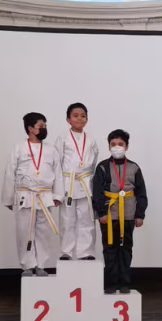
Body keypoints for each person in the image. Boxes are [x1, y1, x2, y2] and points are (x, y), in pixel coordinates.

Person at [2, 112, 64, 276]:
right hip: (25, 196)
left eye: (45, 126)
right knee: (24, 231)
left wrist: (58, 195)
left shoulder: (51, 150)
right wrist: (9, 198)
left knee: (44, 232)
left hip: (45, 196)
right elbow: (10, 172)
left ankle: (41, 264)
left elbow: (58, 173)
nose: (44, 129)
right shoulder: (19, 148)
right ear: (30, 128)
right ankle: (27, 265)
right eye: (41, 126)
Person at [92, 130, 148, 294]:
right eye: (113, 144)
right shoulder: (102, 167)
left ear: (127, 146)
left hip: (129, 215)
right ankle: (110, 283)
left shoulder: (134, 167)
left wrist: (140, 214)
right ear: (109, 146)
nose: (117, 147)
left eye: (121, 144)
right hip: (109, 216)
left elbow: (141, 192)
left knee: (125, 249)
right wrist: (101, 212)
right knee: (110, 249)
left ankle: (124, 282)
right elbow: (97, 192)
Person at [55, 103, 99, 261]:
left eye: (83, 115)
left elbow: (93, 164)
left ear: (87, 119)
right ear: (68, 119)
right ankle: (66, 252)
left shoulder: (91, 140)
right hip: (68, 182)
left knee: (87, 219)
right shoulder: (62, 139)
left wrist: (92, 183)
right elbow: (57, 164)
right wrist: (57, 191)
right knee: (67, 219)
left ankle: (85, 252)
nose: (80, 118)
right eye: (75, 115)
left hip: (86, 182)